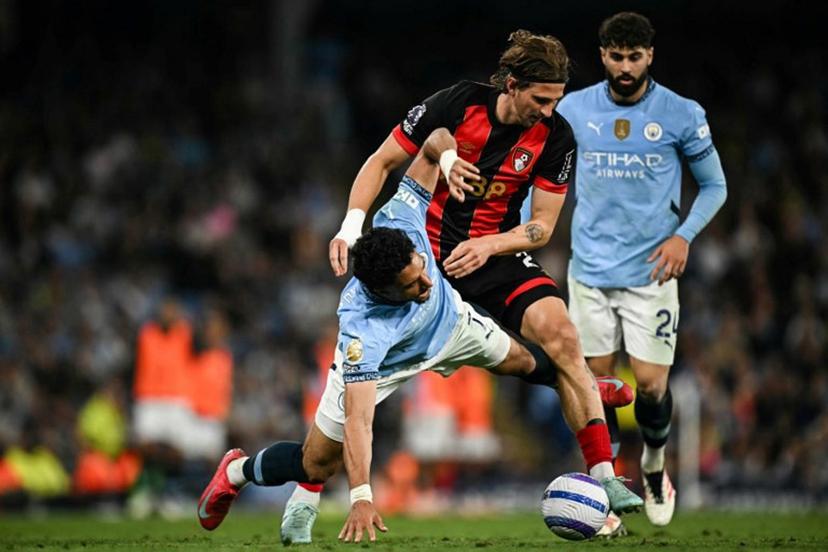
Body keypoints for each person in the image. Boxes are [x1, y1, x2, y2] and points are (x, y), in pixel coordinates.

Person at [318, 29, 641, 540]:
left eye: (557, 100)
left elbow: (543, 226)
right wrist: (352, 226)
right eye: (541, 99)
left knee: (563, 336)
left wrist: (491, 245)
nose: (549, 111)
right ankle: (576, 382)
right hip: (422, 259)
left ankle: (605, 473)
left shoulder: (556, 137)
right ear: (511, 85)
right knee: (330, 444)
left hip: (493, 253)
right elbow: (382, 161)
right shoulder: (458, 102)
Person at [197, 129, 576, 544]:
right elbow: (361, 420)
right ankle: (236, 471)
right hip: (387, 360)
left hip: (449, 325)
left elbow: (434, 140)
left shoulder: (401, 219)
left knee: (524, 362)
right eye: (412, 286)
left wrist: (448, 160)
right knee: (316, 465)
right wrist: (361, 496)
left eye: (421, 268)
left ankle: (588, 385)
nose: (426, 283)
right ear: (383, 292)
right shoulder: (364, 327)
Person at [549, 12, 727, 536]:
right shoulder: (574, 109)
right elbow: (541, 167)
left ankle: (654, 464)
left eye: (634, 57)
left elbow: (714, 186)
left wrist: (683, 236)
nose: (625, 67)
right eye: (615, 56)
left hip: (651, 273)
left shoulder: (681, 113)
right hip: (590, 272)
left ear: (650, 56)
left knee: (649, 388)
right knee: (593, 386)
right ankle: (604, 490)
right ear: (602, 55)